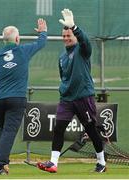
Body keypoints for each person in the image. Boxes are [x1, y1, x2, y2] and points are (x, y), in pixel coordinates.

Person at [0, 18, 47, 175]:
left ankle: (3, 164)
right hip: (17, 98)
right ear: (17, 39)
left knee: (4, 130)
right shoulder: (24, 50)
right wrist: (43, 32)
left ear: (4, 40)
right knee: (9, 131)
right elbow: (41, 43)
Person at [37, 9, 106, 173]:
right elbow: (64, 77)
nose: (66, 38)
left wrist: (74, 26)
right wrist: (63, 90)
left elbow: (86, 42)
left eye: (69, 36)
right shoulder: (61, 57)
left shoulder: (82, 50)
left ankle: (101, 163)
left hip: (84, 98)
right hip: (67, 99)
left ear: (75, 37)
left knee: (91, 130)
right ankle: (53, 163)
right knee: (59, 128)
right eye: (64, 36)